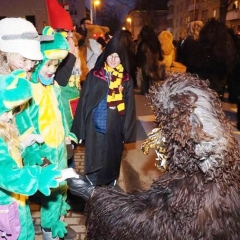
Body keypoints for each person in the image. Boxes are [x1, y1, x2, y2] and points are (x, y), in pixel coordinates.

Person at [15, 27, 78, 240]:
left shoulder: (54, 88)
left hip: (59, 146)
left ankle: (58, 222)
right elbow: (25, 125)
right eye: (48, 64)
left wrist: (68, 134)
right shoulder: (30, 91)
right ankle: (50, 231)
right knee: (50, 193)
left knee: (62, 188)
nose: (52, 70)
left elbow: (62, 115)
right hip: (44, 151)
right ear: (39, 62)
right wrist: (34, 154)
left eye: (55, 65)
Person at [0, 70, 62, 240]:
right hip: (6, 204)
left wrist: (22, 146)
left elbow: (7, 154)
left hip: (16, 200)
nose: (11, 116)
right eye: (7, 111)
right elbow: (6, 172)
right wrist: (37, 178)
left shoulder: (3, 128)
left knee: (25, 231)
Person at [71, 30, 137, 187]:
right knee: (95, 157)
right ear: (105, 56)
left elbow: (130, 108)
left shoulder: (125, 79)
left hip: (114, 126)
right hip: (95, 125)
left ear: (121, 58)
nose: (113, 60)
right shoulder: (95, 75)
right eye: (110, 56)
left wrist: (127, 132)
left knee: (111, 159)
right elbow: (84, 102)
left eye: (117, 57)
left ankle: (110, 185)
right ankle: (92, 185)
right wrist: (79, 130)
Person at [135, 25, 163, 94]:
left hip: (145, 63)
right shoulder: (156, 42)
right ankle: (153, 90)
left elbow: (139, 55)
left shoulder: (143, 43)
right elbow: (159, 53)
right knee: (154, 77)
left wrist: (138, 64)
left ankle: (146, 91)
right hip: (154, 63)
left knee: (145, 78)